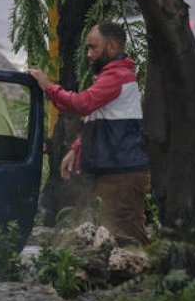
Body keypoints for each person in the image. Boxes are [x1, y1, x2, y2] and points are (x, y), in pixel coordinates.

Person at [28, 21, 150, 245]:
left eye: (93, 47)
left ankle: (148, 266)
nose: (89, 54)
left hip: (121, 173)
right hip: (115, 170)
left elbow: (82, 104)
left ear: (111, 47)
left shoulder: (117, 77)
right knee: (116, 235)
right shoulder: (112, 76)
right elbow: (99, 119)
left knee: (127, 237)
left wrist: (48, 86)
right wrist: (76, 149)